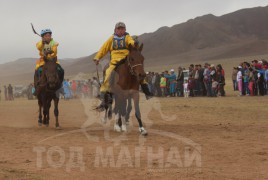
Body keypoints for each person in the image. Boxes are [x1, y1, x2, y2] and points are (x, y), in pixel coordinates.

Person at [93, 22, 152, 111]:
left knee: (139, 72)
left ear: (125, 30)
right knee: (108, 73)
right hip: (115, 61)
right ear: (115, 30)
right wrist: (97, 57)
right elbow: (103, 48)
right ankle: (104, 94)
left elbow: (131, 42)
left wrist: (134, 44)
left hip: (126, 59)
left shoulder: (127, 37)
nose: (121, 30)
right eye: (119, 29)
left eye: (122, 29)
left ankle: (146, 91)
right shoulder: (111, 39)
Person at [33, 28, 64, 95]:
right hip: (43, 60)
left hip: (52, 60)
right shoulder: (40, 43)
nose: (48, 37)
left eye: (49, 35)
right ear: (43, 37)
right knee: (38, 70)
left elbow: (55, 52)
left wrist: (50, 53)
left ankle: (60, 86)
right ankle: (37, 87)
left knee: (61, 70)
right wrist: (42, 42)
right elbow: (39, 47)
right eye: (46, 36)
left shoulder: (54, 43)